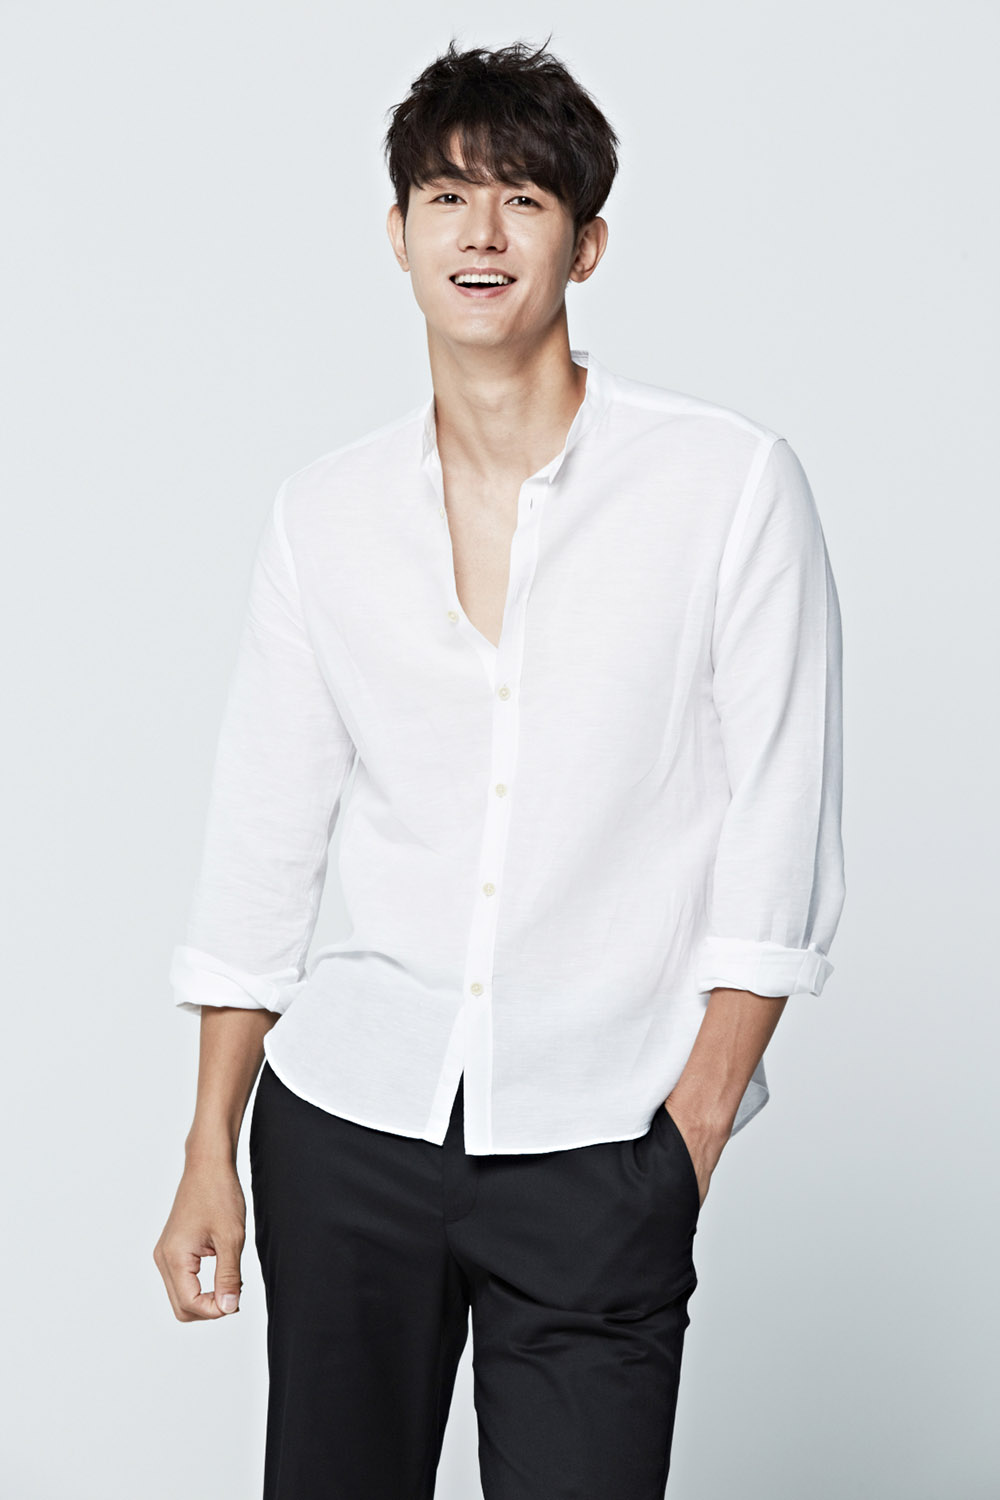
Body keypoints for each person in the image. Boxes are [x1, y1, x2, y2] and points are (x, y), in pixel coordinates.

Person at [154, 37, 846, 1500]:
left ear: (585, 245)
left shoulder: (726, 487)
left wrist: (688, 1139)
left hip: (602, 1142)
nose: (481, 232)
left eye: (524, 199)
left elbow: (779, 834)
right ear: (397, 233)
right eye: (447, 197)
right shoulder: (324, 515)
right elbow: (262, 845)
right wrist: (210, 1143)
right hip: (347, 1130)